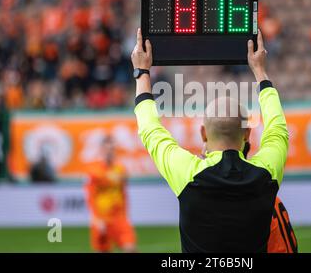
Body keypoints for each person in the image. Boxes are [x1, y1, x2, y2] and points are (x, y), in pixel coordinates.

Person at [132, 28, 289, 252]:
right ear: (247, 134)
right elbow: (278, 127)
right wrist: (260, 71)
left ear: (203, 133)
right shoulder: (266, 172)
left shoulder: (189, 174)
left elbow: (149, 128)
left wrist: (142, 71)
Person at [85, 135, 137, 253]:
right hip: (102, 218)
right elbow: (90, 195)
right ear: (101, 150)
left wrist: (125, 212)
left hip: (119, 217)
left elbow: (123, 193)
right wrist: (96, 217)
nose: (109, 152)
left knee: (131, 249)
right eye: (107, 149)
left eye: (112, 149)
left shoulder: (120, 169)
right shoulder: (93, 171)